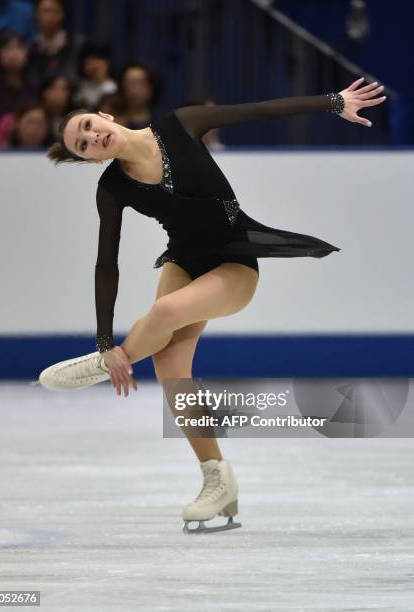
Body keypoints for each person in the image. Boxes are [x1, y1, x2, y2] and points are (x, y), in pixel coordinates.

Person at [39, 77, 386, 533]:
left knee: (161, 316)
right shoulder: (112, 189)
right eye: (83, 146)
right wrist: (102, 336)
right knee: (170, 368)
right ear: (91, 158)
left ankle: (113, 363)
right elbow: (108, 264)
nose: (92, 138)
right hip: (185, 261)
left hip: (234, 262)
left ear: (104, 115)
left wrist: (334, 101)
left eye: (87, 126)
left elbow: (260, 108)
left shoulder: (181, 123)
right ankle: (217, 479)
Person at [73, 41, 117, 111]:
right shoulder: (82, 86)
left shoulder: (112, 87)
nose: (93, 65)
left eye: (98, 62)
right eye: (88, 62)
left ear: (106, 63)